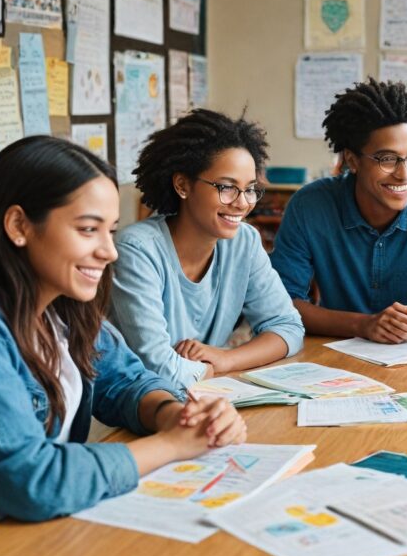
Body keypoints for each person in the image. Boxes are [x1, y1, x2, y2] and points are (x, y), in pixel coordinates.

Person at [0, 136, 247, 545]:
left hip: (45, 538)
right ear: (19, 226)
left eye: (110, 231)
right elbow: (28, 479)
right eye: (88, 230)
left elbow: (127, 381)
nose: (109, 251)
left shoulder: (62, 306)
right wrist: (172, 445)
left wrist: (174, 414)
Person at [271, 78, 407, 343]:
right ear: (352, 161)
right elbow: (282, 304)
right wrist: (363, 325)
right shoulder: (309, 207)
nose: (405, 173)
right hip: (333, 356)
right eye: (387, 159)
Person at [109, 110, 303, 390]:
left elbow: (288, 328)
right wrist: (212, 369)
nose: (242, 203)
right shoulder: (138, 250)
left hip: (206, 397)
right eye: (226, 187)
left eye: (250, 189)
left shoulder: (244, 241)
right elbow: (159, 367)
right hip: (134, 411)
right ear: (182, 185)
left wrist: (226, 359)